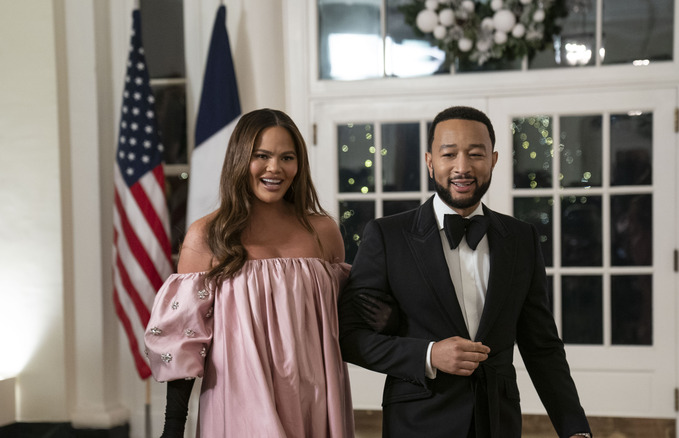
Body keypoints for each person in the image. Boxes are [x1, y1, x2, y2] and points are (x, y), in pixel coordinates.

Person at [339, 106, 592, 438]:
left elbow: (541, 345)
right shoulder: (387, 237)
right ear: (430, 161)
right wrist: (429, 354)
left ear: (494, 160)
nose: (463, 167)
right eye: (449, 154)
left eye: (476, 154)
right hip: (418, 423)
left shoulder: (521, 239)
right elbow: (350, 337)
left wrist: (575, 428)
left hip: (498, 423)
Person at [144, 108, 355, 437]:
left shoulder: (322, 231)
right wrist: (173, 426)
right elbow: (183, 336)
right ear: (240, 158)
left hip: (315, 402)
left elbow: (343, 319)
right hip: (239, 402)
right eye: (262, 156)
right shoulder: (207, 235)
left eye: (287, 157)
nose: (275, 168)